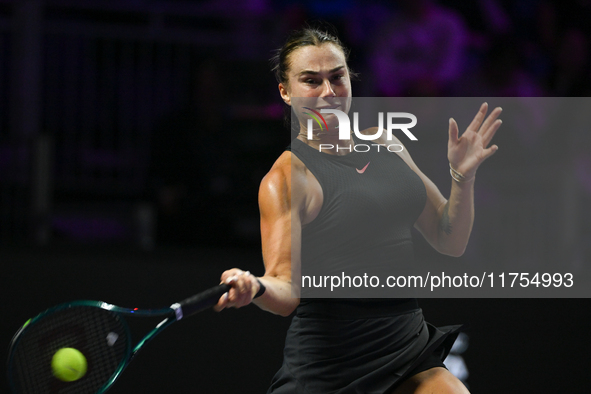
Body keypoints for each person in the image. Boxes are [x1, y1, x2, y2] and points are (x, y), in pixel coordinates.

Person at [214, 26, 501, 394]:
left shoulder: (387, 143)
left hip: (405, 346)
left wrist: (462, 177)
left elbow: (449, 238)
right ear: (286, 93)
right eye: (311, 82)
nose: (328, 93)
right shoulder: (286, 177)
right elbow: (286, 288)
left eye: (337, 77)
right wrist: (254, 286)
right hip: (329, 368)